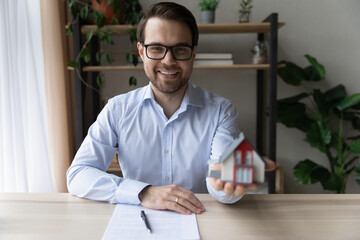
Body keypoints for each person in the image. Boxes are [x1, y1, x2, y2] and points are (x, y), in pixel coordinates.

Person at [66, 2, 275, 215]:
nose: (168, 61)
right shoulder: (117, 110)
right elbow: (78, 175)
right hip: (135, 223)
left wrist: (227, 183)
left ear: (193, 53)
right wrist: (143, 192)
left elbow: (223, 186)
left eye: (180, 49)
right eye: (156, 48)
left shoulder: (221, 111)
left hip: (200, 221)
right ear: (141, 51)